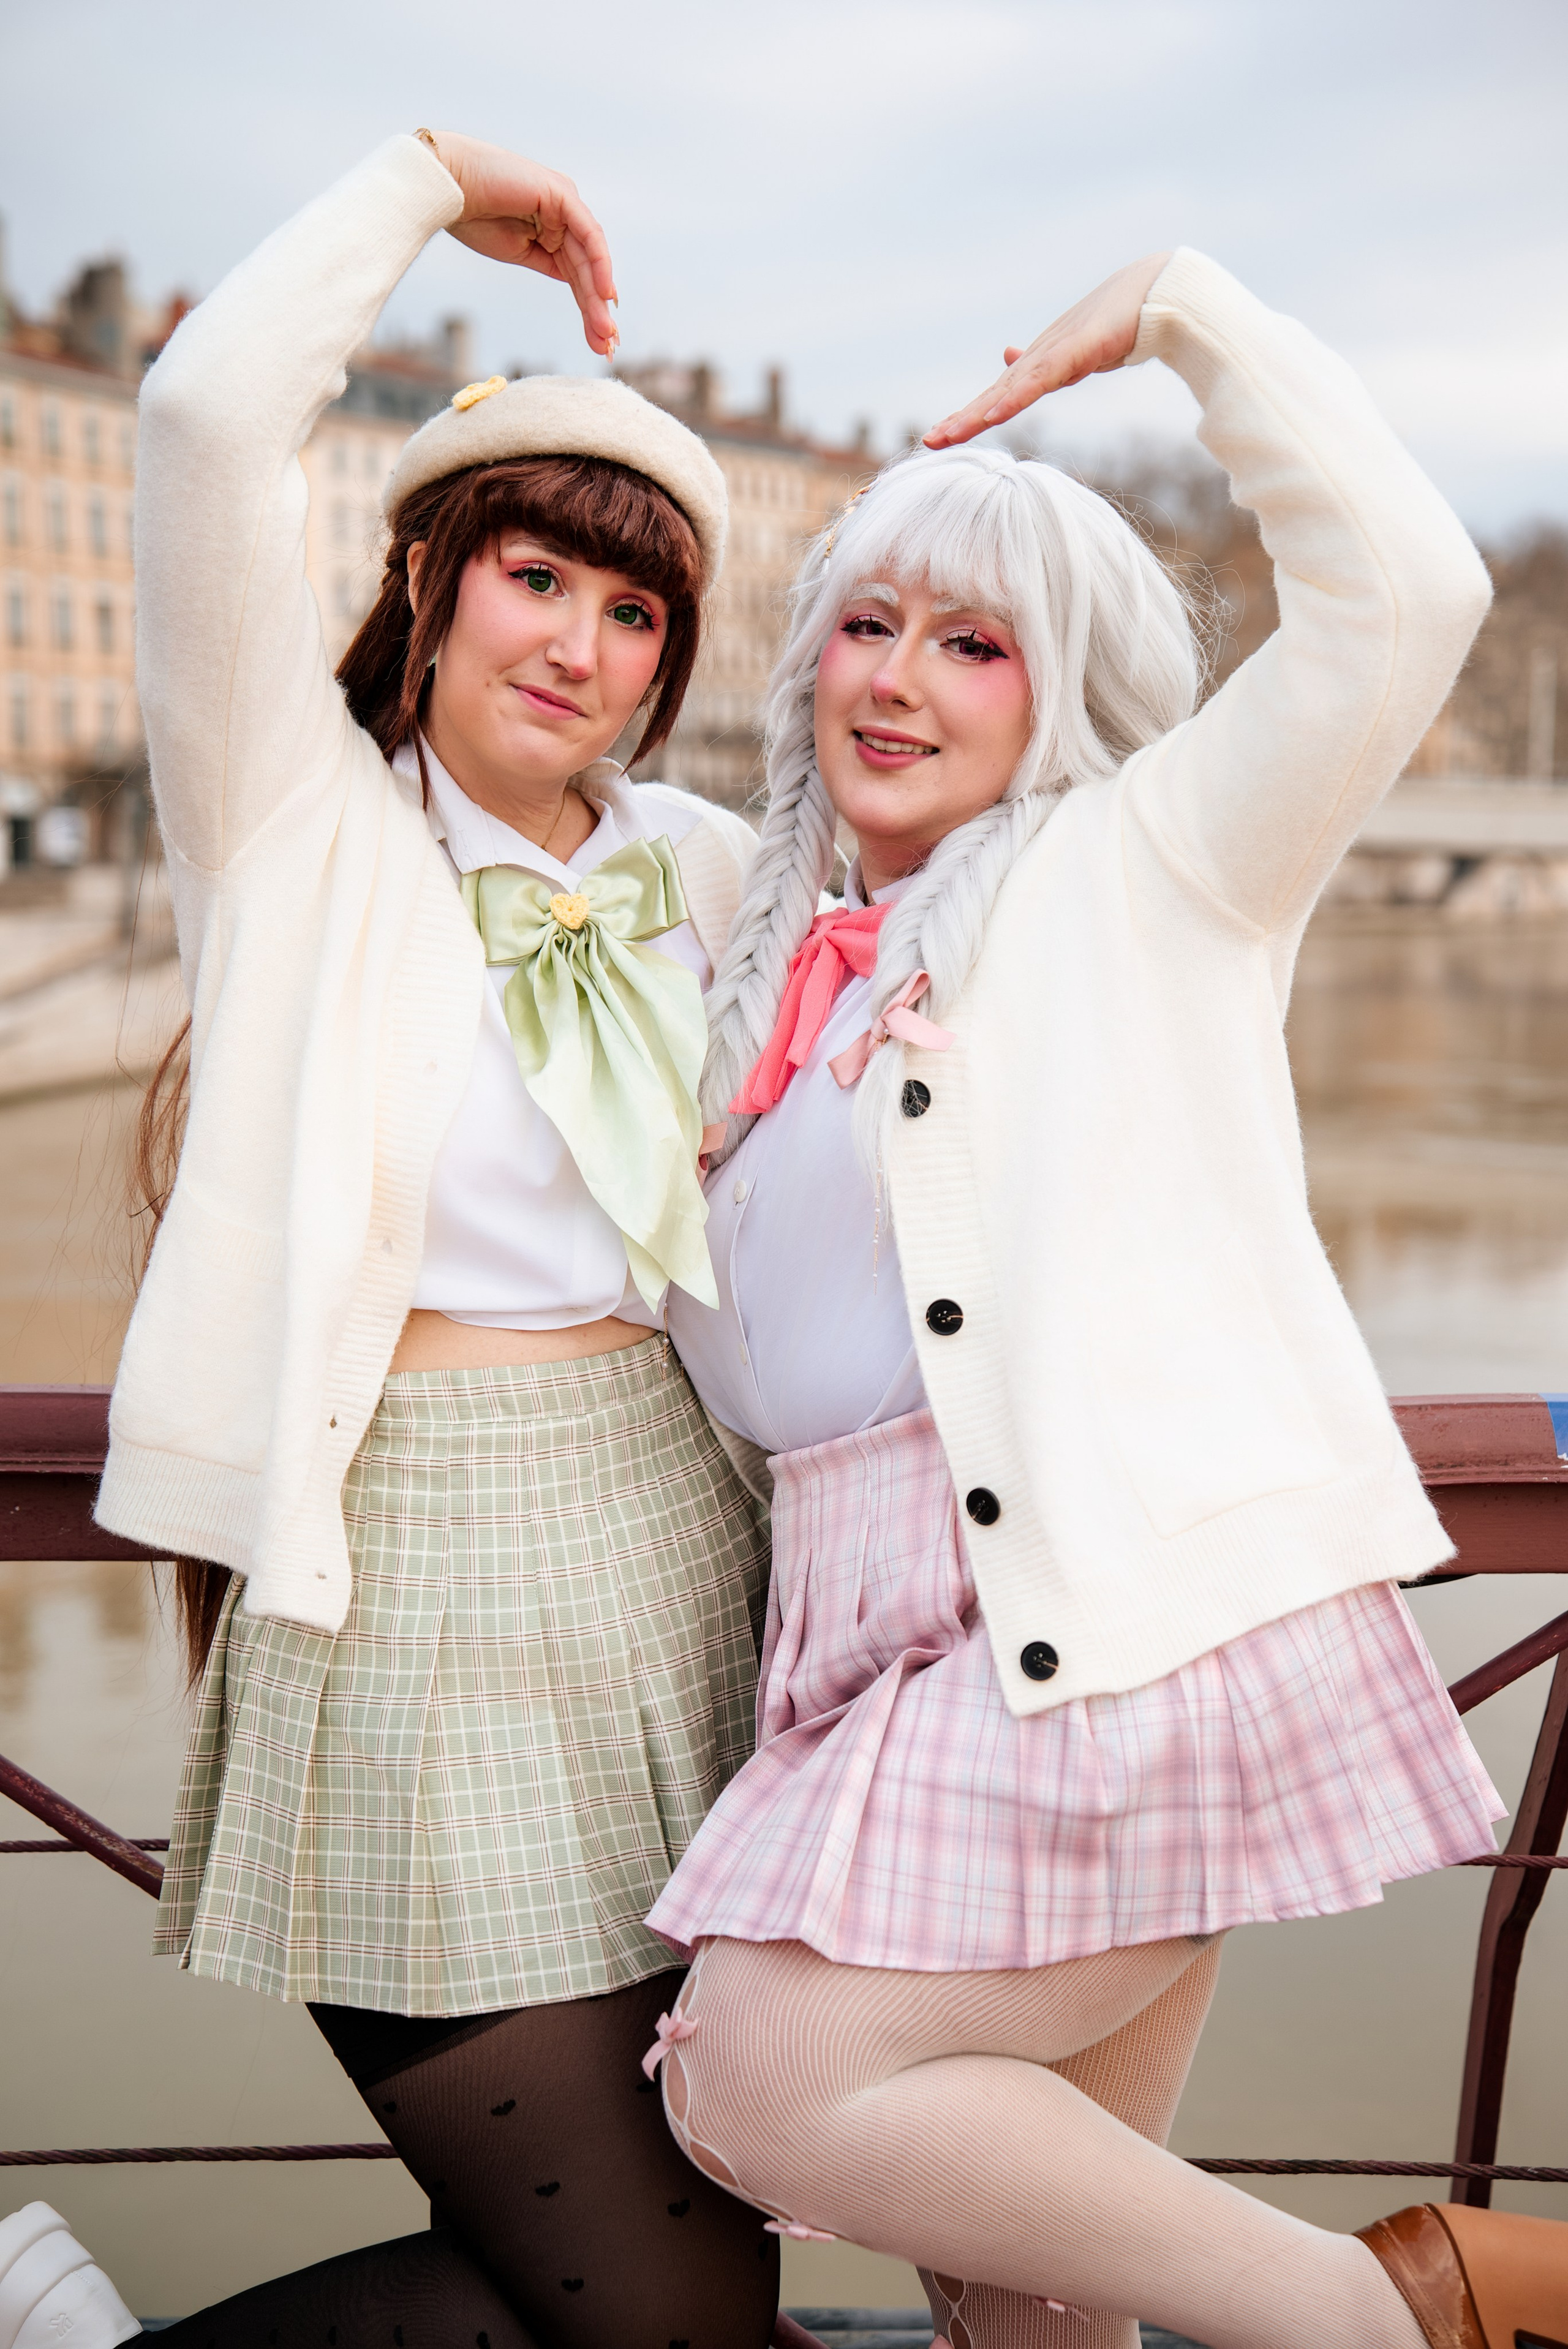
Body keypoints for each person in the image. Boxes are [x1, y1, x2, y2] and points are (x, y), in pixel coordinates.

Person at [641, 250, 1568, 2349]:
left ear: (1059, 696)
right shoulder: (767, 956)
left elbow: (1408, 596)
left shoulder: (1151, 872)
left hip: (1107, 1648)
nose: (895, 677)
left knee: (756, 2074)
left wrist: (1182, 315)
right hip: (876, 1653)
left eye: (973, 644)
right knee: (1031, 2307)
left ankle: (1405, 2320)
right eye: (866, 626)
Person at [81, 129, 778, 2349]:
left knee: (681, 2265)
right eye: (535, 578)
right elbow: (202, 422)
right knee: (654, 2319)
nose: (578, 644)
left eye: (633, 606)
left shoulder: (708, 870)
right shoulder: (297, 817)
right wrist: (416, 190)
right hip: (416, 1588)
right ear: (433, 580)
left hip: (681, 1552)